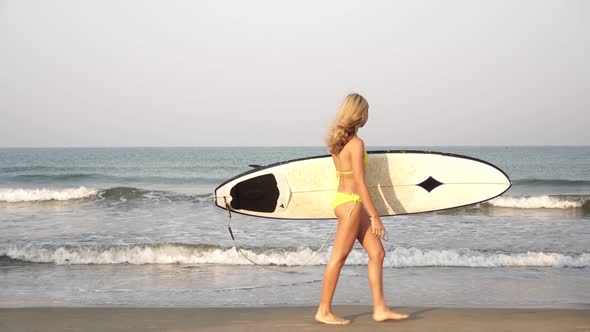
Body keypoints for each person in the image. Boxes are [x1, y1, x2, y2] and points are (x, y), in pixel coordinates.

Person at [315, 93, 409, 325]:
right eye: (366, 112)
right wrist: (375, 217)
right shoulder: (356, 144)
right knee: (339, 257)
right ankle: (323, 310)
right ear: (360, 115)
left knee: (377, 253)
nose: (368, 116)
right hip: (352, 205)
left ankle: (380, 308)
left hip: (343, 201)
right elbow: (359, 183)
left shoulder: (336, 142)